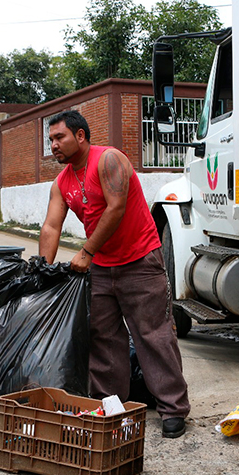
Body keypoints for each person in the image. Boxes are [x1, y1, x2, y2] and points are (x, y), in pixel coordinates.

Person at [39, 110, 191, 438]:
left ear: (80, 136)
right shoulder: (62, 182)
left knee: (153, 336)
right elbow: (51, 226)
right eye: (50, 140)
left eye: (59, 137)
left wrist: (87, 251)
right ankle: (111, 409)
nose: (53, 145)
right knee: (104, 339)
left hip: (140, 261)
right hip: (102, 270)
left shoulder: (108, 161)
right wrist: (42, 270)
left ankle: (173, 410)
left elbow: (116, 208)